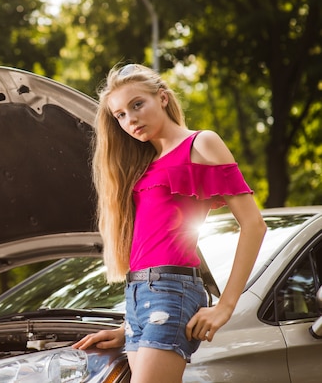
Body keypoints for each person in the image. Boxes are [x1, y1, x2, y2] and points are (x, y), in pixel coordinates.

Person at [72, 63, 267, 383]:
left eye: (137, 105)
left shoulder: (201, 144)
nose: (130, 118)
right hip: (137, 296)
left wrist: (225, 306)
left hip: (173, 290)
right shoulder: (141, 166)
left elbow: (254, 225)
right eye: (120, 114)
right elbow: (152, 243)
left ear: (162, 98)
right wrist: (126, 327)